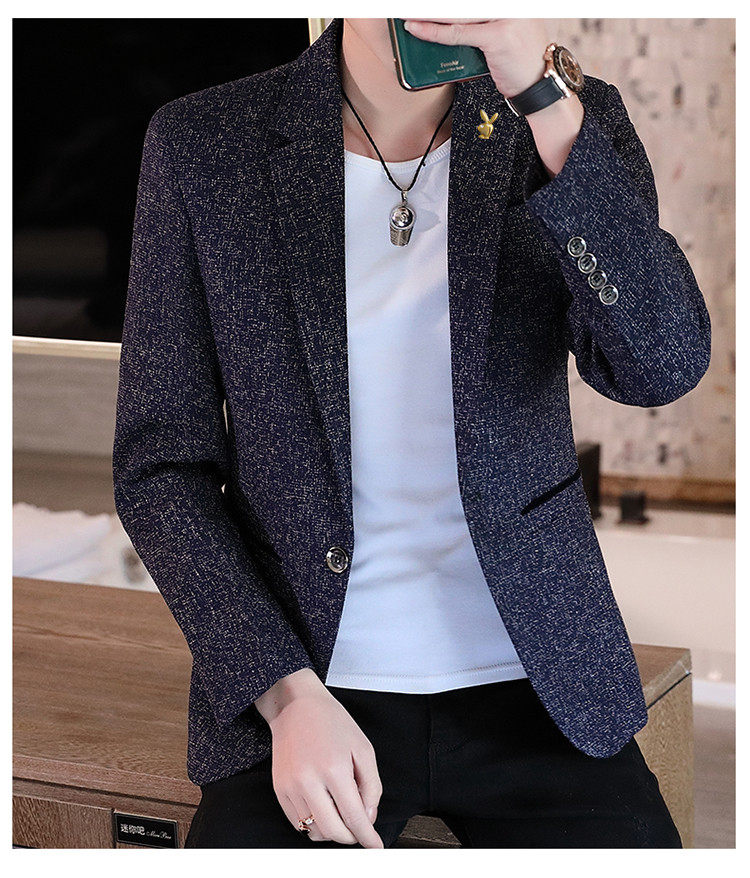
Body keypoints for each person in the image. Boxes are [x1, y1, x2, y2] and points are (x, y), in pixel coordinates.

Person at [113, 18, 710, 848]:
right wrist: (285, 695)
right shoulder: (205, 143)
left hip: (541, 677)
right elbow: (160, 468)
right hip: (312, 675)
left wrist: (542, 100)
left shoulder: (570, 117)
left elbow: (662, 365)